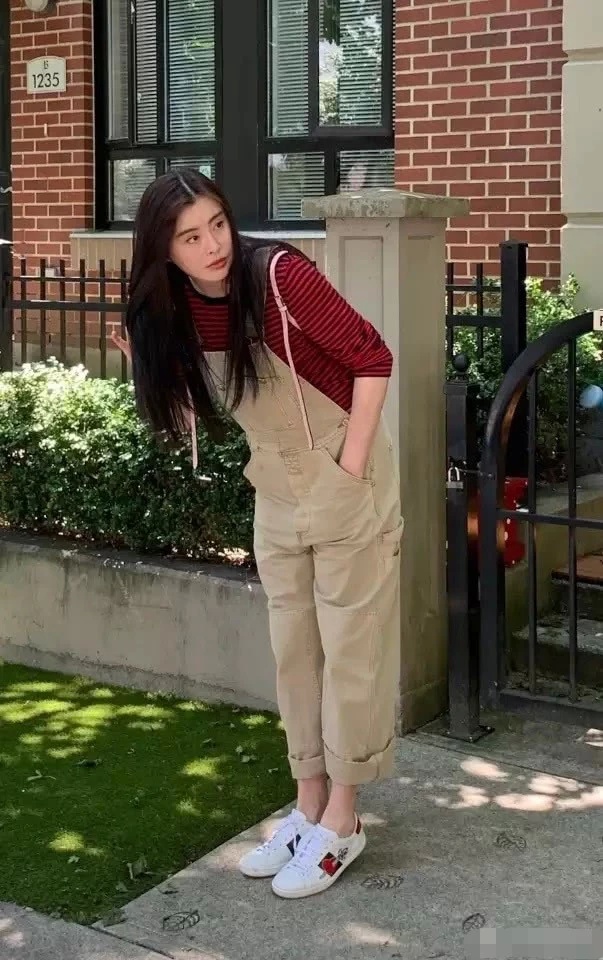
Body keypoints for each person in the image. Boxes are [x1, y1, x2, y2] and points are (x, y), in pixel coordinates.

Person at [112, 168, 403, 901]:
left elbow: (372, 357)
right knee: (293, 648)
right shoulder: (176, 306)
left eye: (217, 223)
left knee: (352, 647)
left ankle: (344, 817)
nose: (212, 245)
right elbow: (203, 409)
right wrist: (144, 360)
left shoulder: (277, 277)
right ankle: (307, 805)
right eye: (189, 236)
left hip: (341, 466)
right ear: (162, 250)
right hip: (273, 481)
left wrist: (349, 469)